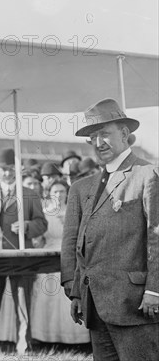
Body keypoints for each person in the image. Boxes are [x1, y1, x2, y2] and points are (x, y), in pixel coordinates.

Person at [60, 98, 158, 360]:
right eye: (93, 137)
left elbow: (156, 239)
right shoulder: (82, 188)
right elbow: (74, 242)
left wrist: (154, 290)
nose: (99, 142)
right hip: (94, 308)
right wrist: (75, 291)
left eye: (105, 134)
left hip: (136, 306)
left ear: (125, 134)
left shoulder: (147, 175)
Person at [0, 148, 48, 353]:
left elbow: (42, 223)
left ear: (17, 169)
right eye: (3, 169)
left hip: (20, 256)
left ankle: (24, 346)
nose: (8, 174)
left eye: (11, 169)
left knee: (22, 301)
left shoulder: (28, 194)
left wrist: (27, 226)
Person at [30, 179, 90, 344]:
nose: (59, 195)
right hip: (50, 259)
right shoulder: (45, 213)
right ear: (49, 194)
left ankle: (75, 339)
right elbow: (39, 239)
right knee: (49, 296)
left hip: (71, 259)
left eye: (62, 191)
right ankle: (47, 337)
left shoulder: (76, 212)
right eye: (55, 192)